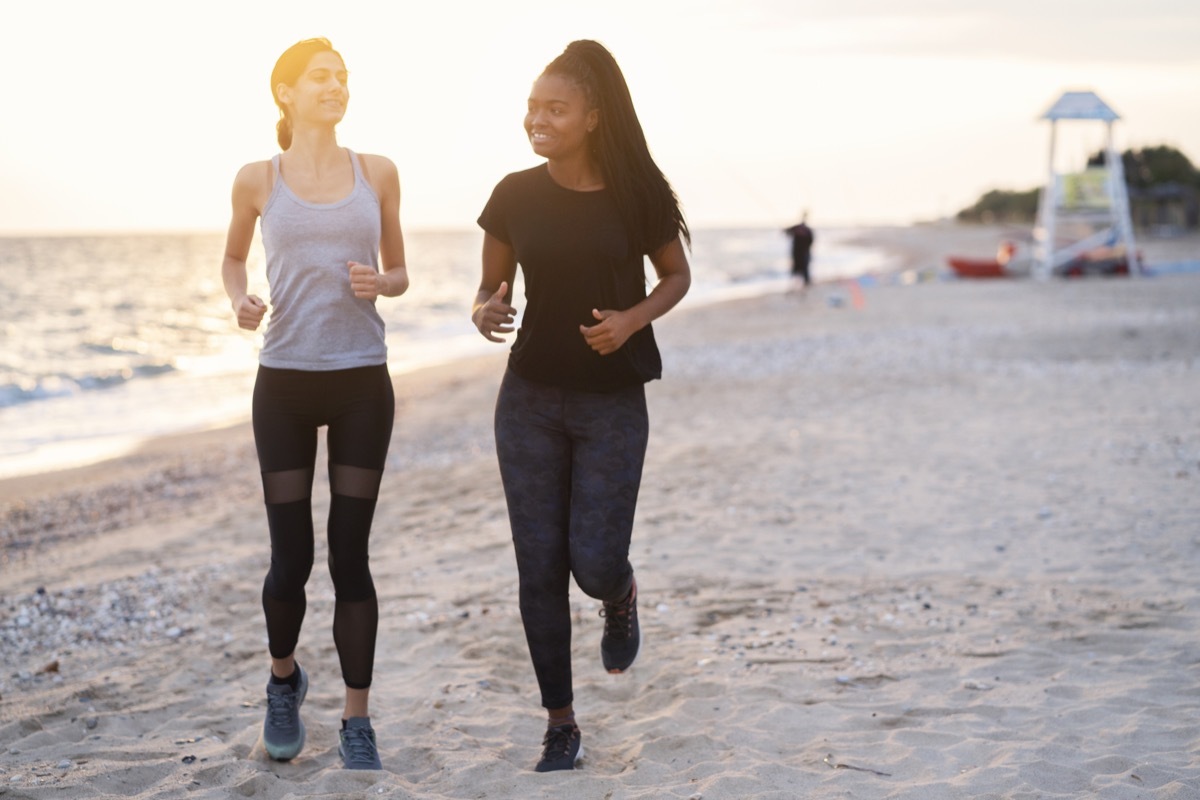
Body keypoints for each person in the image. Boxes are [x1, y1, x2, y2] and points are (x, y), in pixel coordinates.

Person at [471, 39, 692, 773]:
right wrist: (484, 311)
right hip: (528, 398)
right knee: (538, 569)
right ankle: (560, 724)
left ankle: (620, 594)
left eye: (555, 108)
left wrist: (631, 320)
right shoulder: (513, 194)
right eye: (533, 107)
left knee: (593, 563)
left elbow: (675, 276)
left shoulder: (638, 194)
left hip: (611, 404)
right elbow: (489, 290)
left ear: (592, 116)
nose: (538, 119)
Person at [220, 37, 408, 771]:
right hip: (285, 385)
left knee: (349, 555)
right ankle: (282, 680)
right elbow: (233, 258)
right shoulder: (256, 179)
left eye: (342, 77)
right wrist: (240, 300)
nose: (336, 85)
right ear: (286, 93)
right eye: (321, 77)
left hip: (362, 378)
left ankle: (357, 719)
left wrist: (380, 284)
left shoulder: (380, 172)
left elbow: (400, 272)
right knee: (290, 557)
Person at [784, 211, 815, 291]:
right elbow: (787, 232)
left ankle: (804, 286)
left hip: (803, 254)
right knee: (797, 270)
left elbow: (811, 242)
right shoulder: (798, 228)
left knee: (803, 271)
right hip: (798, 254)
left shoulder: (806, 230)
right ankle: (796, 285)